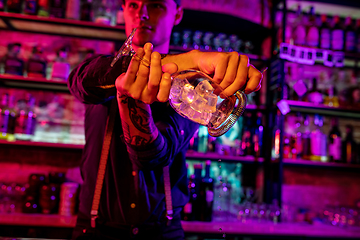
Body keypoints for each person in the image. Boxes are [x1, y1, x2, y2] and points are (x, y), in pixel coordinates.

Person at [68, 0, 263, 239]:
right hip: (97, 230)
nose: (142, 13)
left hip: (162, 232)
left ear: (178, 14)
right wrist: (190, 59)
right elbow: (78, 82)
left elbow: (152, 155)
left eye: (157, 5)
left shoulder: (193, 88)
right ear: (123, 11)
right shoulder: (103, 70)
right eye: (132, 4)